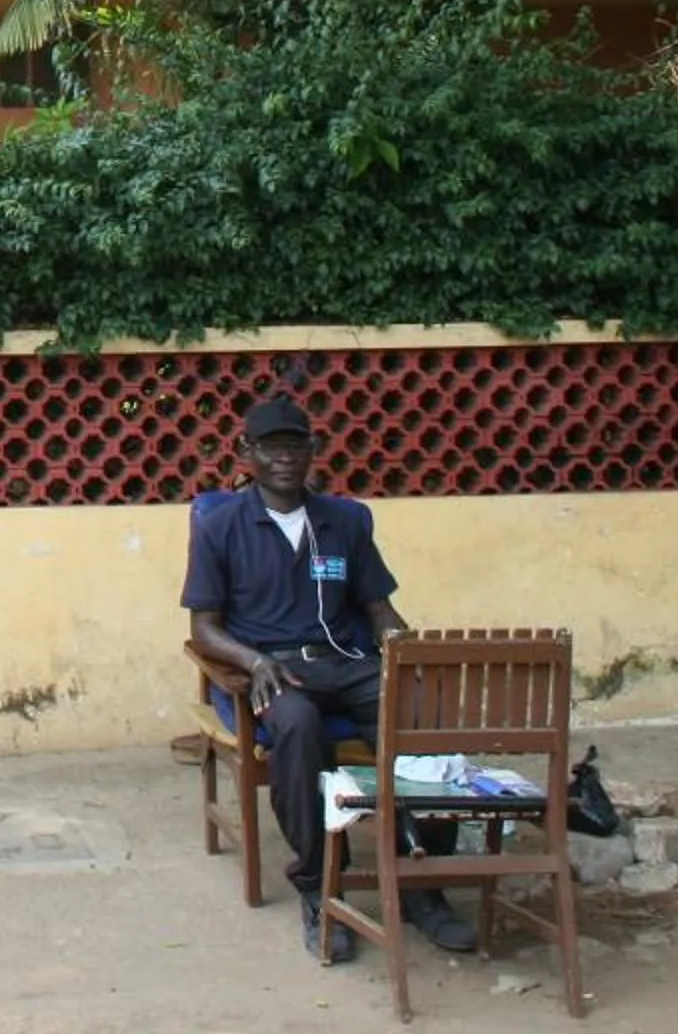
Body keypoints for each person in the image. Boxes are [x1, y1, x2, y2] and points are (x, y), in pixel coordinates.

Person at [181, 394, 478, 962]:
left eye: (296, 445)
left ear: (313, 451)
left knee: (423, 715)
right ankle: (320, 885)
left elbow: (378, 610)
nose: (285, 458)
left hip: (345, 658)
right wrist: (254, 662)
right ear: (246, 453)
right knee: (296, 727)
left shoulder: (343, 520)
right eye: (271, 447)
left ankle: (422, 883)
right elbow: (204, 628)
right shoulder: (221, 525)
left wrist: (412, 654)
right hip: (273, 669)